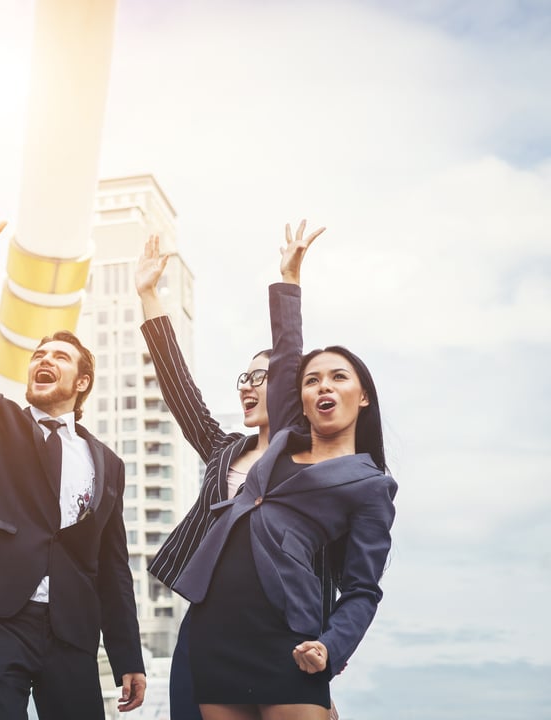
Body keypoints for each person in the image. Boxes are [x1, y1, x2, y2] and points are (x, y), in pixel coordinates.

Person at [172, 221, 398, 720]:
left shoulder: (371, 486)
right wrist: (289, 279)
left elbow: (363, 588)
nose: (323, 386)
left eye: (339, 377)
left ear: (362, 397)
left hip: (289, 640)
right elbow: (288, 349)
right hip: (216, 633)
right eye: (312, 379)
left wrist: (332, 648)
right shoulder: (281, 442)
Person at [0, 185, 147, 720]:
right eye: (38, 354)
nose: (43, 360)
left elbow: (114, 566)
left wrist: (127, 654)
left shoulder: (109, 465)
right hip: (0, 614)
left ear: (82, 382)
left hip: (72, 630)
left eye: (58, 356)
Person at [135, 235, 339, 720]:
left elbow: (326, 557)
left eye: (259, 377)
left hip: (285, 628)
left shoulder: (313, 464)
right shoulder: (224, 451)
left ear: (289, 387)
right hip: (210, 624)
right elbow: (179, 387)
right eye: (243, 378)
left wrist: (330, 639)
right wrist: (149, 296)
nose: (246, 387)